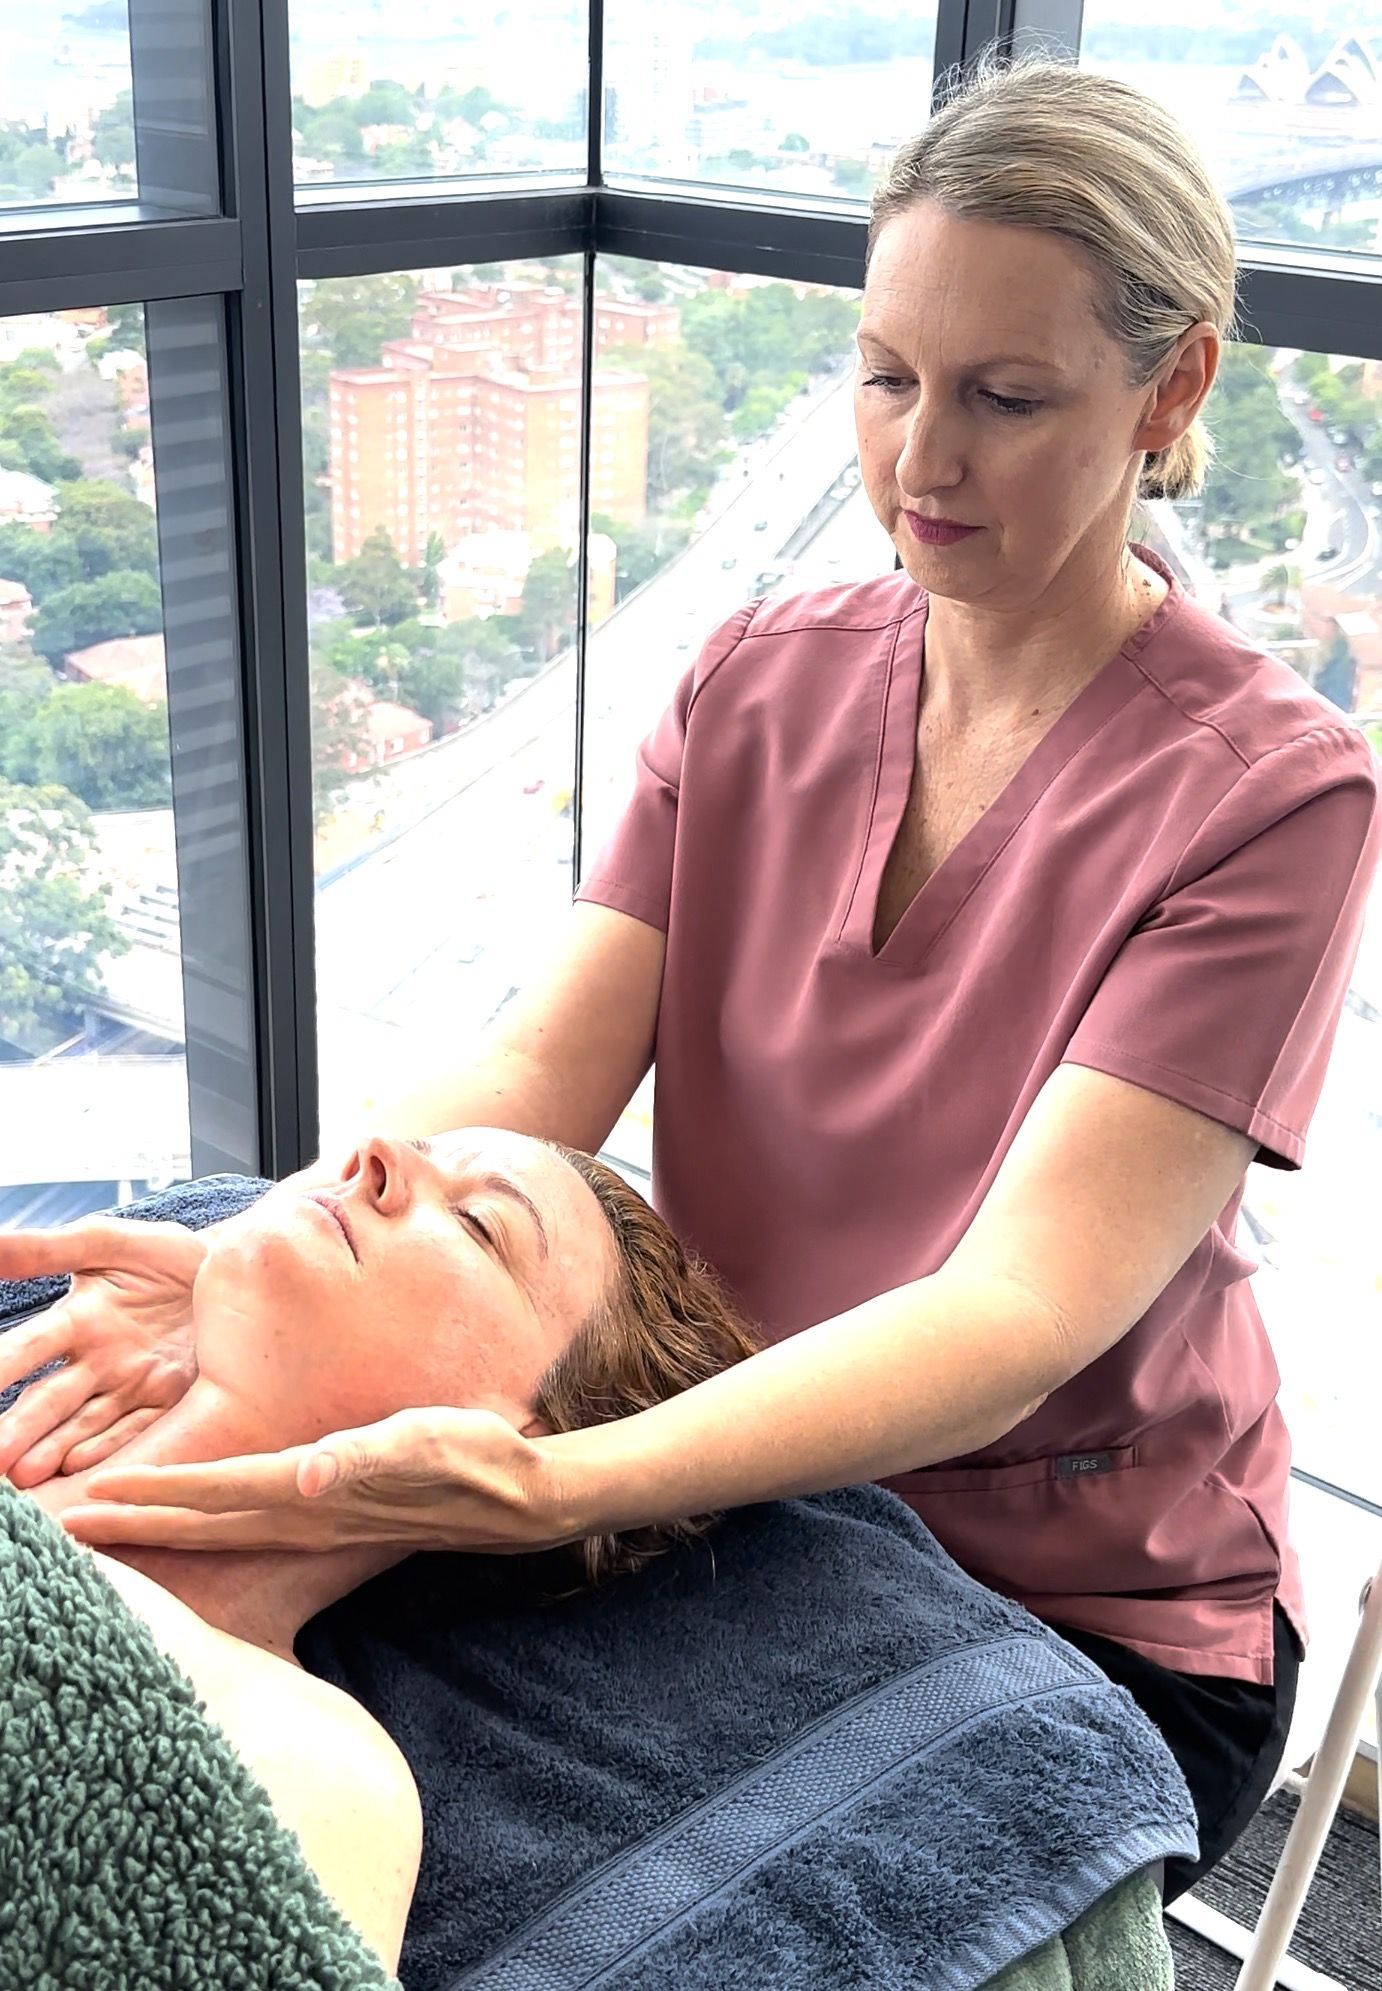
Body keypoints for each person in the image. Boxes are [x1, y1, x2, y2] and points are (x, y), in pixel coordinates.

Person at [2, 51, 1379, 1903]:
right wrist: (272, 1253)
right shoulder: (759, 679)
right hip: (724, 1494)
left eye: (1004, 396)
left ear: (1173, 382)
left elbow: (1016, 1319)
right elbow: (537, 1074)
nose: (919, 460)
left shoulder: (1270, 799)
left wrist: (569, 1483)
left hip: (1074, 1591)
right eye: (885, 377)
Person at [2, 1127, 758, 1970]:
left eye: (478, 1222)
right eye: (420, 1148)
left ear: (511, 1441)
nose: (376, 1153)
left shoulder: (317, 1773)